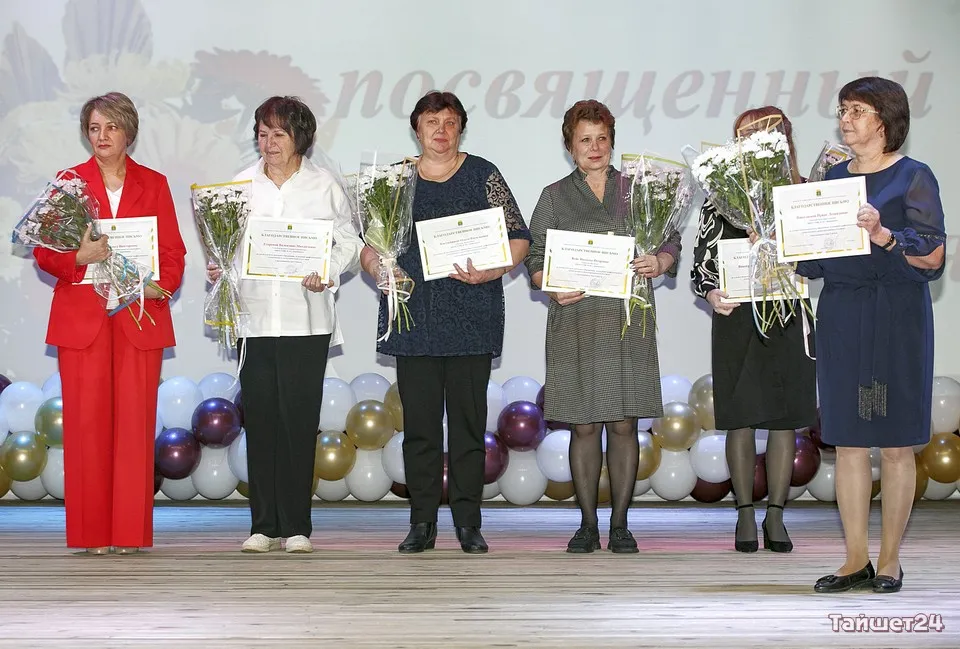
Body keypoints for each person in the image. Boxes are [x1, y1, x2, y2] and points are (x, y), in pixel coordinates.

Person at [359, 91, 531, 554]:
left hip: (471, 317)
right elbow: (368, 244)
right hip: (413, 317)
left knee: (468, 429)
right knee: (420, 430)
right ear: (416, 129)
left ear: (461, 130)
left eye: (451, 122)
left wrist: (492, 269)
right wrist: (379, 270)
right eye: (432, 121)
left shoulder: (483, 174)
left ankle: (469, 523)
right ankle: (422, 523)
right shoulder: (394, 180)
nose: (441, 130)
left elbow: (519, 238)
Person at [796, 78, 946, 594]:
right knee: (849, 443)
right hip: (842, 315)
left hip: (897, 318)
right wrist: (781, 240)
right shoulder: (832, 177)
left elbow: (933, 257)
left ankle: (889, 561)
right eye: (843, 109)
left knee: (898, 444)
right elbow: (815, 262)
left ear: (886, 120)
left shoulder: (913, 176)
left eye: (857, 110)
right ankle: (855, 558)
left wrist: (884, 235)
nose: (845, 119)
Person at [207, 96, 362, 553]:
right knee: (261, 423)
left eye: (279, 134)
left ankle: (296, 526)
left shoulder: (324, 185)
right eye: (262, 133)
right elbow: (227, 247)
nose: (269, 143)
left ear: (300, 138)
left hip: (306, 320)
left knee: (298, 422)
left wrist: (327, 270)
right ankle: (263, 525)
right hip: (254, 319)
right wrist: (221, 268)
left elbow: (349, 242)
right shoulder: (239, 185)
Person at [34, 92, 186, 554]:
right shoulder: (68, 183)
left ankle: (129, 534)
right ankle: (92, 534)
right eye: (94, 128)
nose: (102, 136)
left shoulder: (154, 183)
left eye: (111, 127)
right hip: (83, 320)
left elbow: (173, 253)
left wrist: (161, 286)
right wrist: (78, 258)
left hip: (138, 316)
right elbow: (43, 251)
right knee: (86, 428)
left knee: (135, 429)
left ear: (129, 133)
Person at [525, 100, 680, 554]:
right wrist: (549, 285)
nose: (594, 148)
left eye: (602, 139)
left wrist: (660, 261)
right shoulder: (553, 196)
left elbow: (670, 239)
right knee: (584, 428)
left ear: (612, 141)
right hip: (575, 320)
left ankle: (621, 525)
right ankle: (588, 525)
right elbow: (534, 258)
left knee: (625, 425)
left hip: (628, 319)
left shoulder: (640, 189)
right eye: (584, 140)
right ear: (570, 146)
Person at [691, 106, 817, 554]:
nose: (752, 144)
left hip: (788, 314)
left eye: (762, 135)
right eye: (743, 136)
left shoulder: (804, 191)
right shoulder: (720, 195)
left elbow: (821, 257)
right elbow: (701, 265)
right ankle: (745, 512)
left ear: (783, 140)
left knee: (785, 419)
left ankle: (776, 514)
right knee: (740, 417)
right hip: (736, 317)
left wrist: (783, 244)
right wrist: (710, 294)